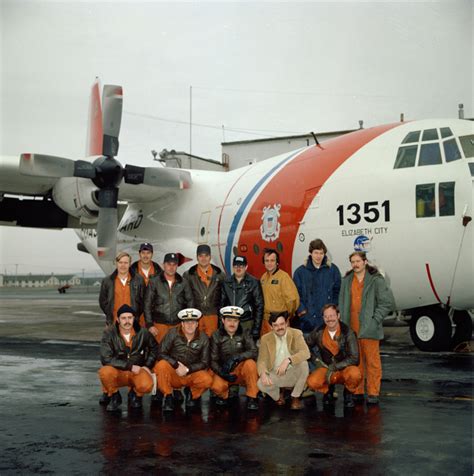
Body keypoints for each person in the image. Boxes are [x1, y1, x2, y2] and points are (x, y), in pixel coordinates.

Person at [339, 251, 395, 405]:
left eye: (358, 261)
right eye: (352, 262)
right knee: (356, 363)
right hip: (351, 330)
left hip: (369, 329)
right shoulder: (346, 281)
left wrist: (375, 320)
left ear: (365, 262)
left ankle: (373, 393)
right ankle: (357, 391)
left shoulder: (376, 280)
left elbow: (386, 303)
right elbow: (342, 304)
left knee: (372, 363)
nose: (355, 264)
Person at [98, 304, 160, 412]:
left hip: (137, 371)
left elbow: (155, 348)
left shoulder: (143, 332)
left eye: (130, 318)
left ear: (134, 318)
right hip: (119, 371)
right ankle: (115, 395)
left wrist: (147, 365)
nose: (127, 321)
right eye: (123, 318)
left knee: (147, 385)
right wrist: (129, 366)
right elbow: (105, 358)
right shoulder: (109, 334)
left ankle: (136, 394)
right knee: (105, 372)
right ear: (118, 319)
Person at [153, 308, 213, 411]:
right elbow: (160, 352)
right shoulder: (173, 333)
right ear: (182, 323)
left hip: (190, 373)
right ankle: (168, 396)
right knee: (161, 365)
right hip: (174, 372)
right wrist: (176, 365)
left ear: (197, 324)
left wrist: (187, 369)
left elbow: (205, 362)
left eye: (193, 322)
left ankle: (191, 393)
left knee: (207, 380)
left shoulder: (203, 338)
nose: (190, 325)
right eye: (187, 322)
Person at [305, 304, 361, 408]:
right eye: (326, 316)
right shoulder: (318, 331)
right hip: (326, 368)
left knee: (355, 374)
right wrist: (315, 359)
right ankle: (328, 391)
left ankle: (348, 392)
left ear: (338, 316)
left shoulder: (348, 332)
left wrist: (336, 367)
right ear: (323, 318)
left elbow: (355, 358)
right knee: (312, 382)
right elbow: (304, 345)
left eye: (332, 315)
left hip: (344, 368)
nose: (329, 319)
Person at [257, 311, 310, 410]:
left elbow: (306, 352)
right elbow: (262, 360)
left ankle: (295, 397)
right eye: (275, 325)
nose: (279, 327)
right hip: (276, 373)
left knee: (304, 364)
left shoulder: (296, 333)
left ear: (286, 323)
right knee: (260, 383)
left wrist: (288, 360)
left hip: (293, 372)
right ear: (271, 327)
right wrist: (263, 373)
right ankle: (278, 396)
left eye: (282, 324)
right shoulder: (265, 339)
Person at [210, 306, 259, 410]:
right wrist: (222, 373)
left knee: (250, 363)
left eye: (235, 320)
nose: (232, 324)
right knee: (216, 387)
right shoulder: (216, 335)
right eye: (229, 320)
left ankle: (252, 397)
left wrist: (237, 357)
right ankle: (225, 394)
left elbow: (254, 351)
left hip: (240, 369)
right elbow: (213, 360)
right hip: (224, 370)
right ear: (223, 320)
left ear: (239, 321)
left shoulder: (244, 333)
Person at [293, 239, 341, 333]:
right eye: (316, 253)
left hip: (328, 319)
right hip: (307, 320)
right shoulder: (300, 272)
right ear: (310, 253)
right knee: (309, 346)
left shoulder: (332, 270)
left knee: (328, 346)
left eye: (321, 253)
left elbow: (338, 290)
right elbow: (295, 294)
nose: (318, 256)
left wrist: (333, 309)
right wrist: (302, 311)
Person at [144, 252, 194, 344]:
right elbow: (147, 304)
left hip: (178, 325)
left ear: (177, 266)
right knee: (159, 354)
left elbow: (190, 302)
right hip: (159, 326)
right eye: (168, 264)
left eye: (174, 265)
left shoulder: (184, 282)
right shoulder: (154, 282)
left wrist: (187, 322)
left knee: (177, 352)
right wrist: (150, 325)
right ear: (163, 265)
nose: (171, 267)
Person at [183, 244, 225, 337]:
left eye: (206, 255)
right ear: (197, 257)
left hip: (213, 316)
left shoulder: (220, 275)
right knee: (196, 341)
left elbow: (224, 297)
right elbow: (185, 297)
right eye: (201, 256)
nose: (204, 258)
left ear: (210, 257)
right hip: (196, 316)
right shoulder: (188, 275)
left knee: (212, 342)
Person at [221, 255, 264, 341]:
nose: (238, 268)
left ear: (246, 267)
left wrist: (256, 328)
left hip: (247, 323)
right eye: (236, 266)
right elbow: (221, 304)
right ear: (233, 267)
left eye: (241, 266)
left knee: (248, 350)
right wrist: (221, 326)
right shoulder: (226, 283)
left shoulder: (254, 282)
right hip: (230, 322)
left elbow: (259, 306)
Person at [99, 251, 145, 325]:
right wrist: (110, 314)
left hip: (133, 323)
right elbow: (103, 302)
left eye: (126, 263)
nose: (123, 265)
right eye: (120, 262)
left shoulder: (139, 280)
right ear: (116, 263)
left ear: (130, 264)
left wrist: (135, 315)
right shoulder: (107, 281)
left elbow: (143, 301)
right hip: (114, 322)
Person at [260, 248, 299, 335]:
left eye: (272, 260)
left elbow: (292, 300)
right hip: (266, 321)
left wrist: (287, 317)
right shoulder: (263, 278)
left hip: (280, 321)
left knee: (282, 347)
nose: (269, 263)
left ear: (277, 262)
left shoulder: (283, 277)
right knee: (268, 346)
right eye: (267, 260)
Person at [130, 242, 162, 327]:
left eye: (148, 253)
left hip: (154, 317)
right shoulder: (131, 272)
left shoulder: (159, 272)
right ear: (139, 254)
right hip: (136, 317)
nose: (145, 256)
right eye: (143, 253)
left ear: (152, 254)